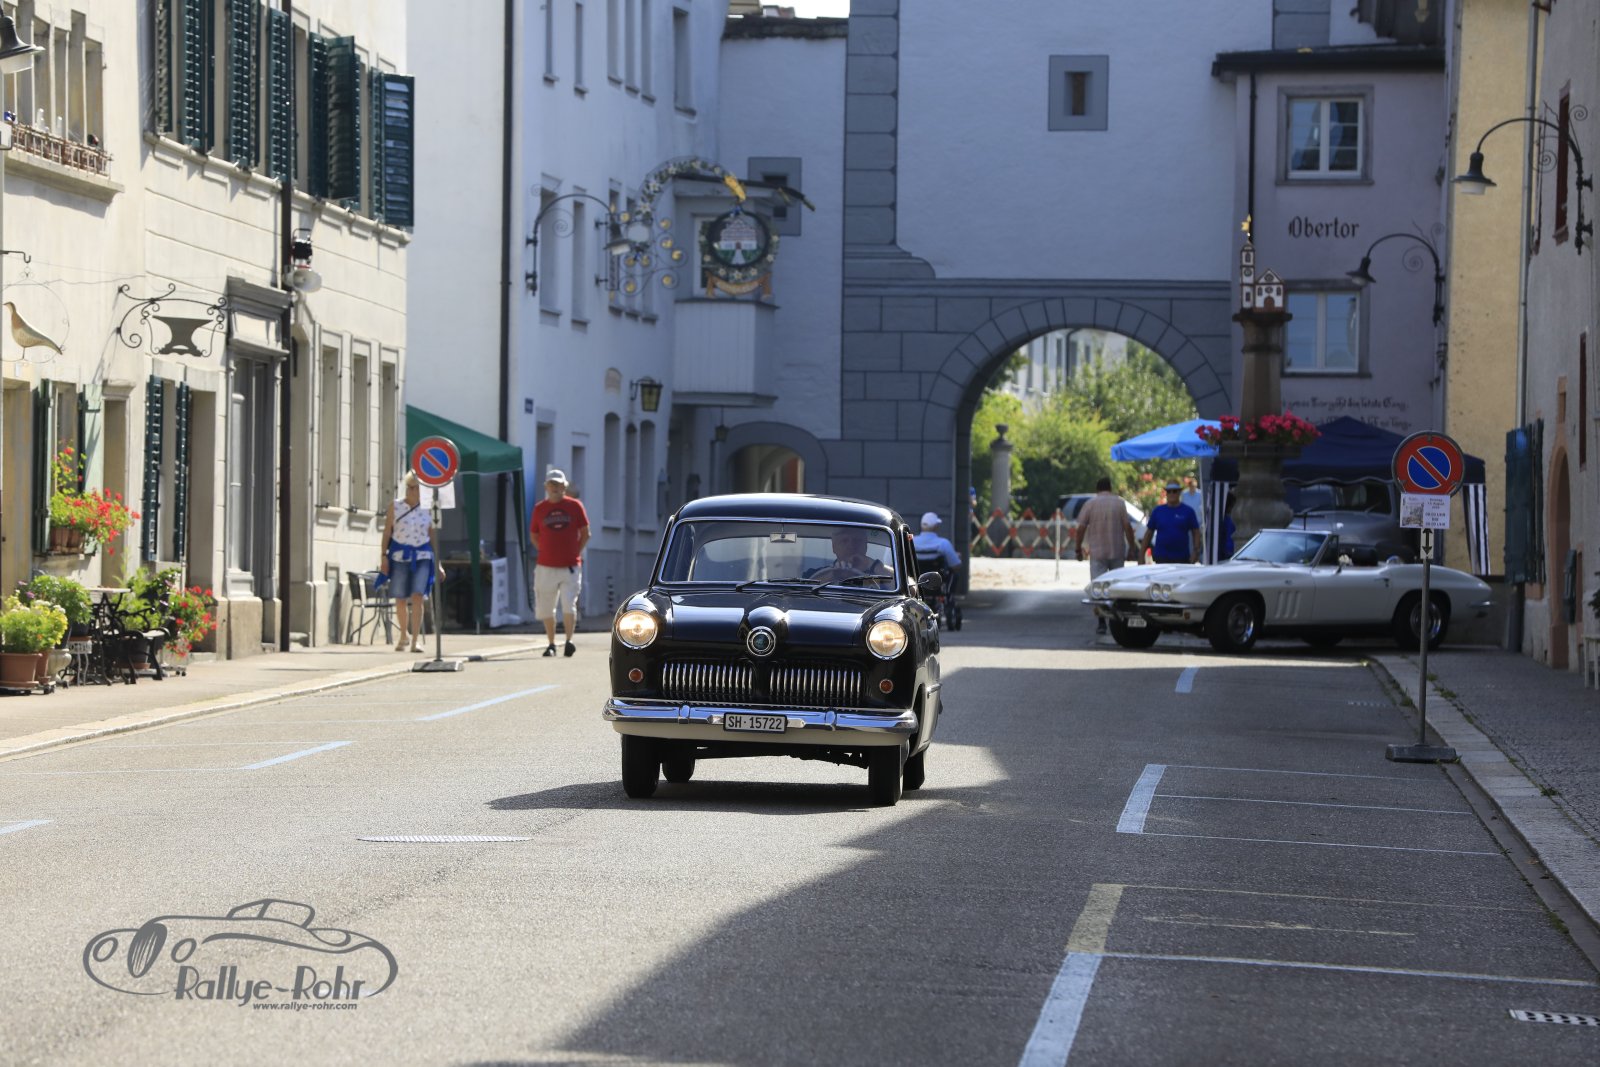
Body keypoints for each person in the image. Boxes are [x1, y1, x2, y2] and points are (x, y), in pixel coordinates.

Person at [379, 471, 444, 653]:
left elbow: (433, 536)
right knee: (400, 597)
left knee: (418, 596)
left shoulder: (431, 508)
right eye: (411, 487)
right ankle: (403, 636)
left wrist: (438, 563)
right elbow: (387, 532)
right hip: (400, 555)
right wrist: (383, 556)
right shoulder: (395, 506)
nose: (413, 491)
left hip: (423, 556)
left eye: (418, 488)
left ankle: (415, 640)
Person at [529, 469, 590, 657]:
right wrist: (544, 550)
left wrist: (575, 551)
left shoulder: (575, 506)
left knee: (568, 603)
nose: (555, 488)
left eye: (558, 484)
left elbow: (585, 533)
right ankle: (551, 643)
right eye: (552, 484)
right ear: (546, 487)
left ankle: (569, 641)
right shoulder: (540, 508)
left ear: (565, 487)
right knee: (546, 606)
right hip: (545, 566)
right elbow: (534, 534)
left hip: (570, 566)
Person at [1073, 477, 1140, 634]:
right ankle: (1116, 620)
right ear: (1110, 488)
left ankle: (1101, 622)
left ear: (1097, 489)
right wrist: (1131, 548)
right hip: (1117, 551)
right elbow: (1127, 527)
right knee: (1116, 587)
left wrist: (1078, 549)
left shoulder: (1090, 504)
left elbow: (1081, 528)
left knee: (1098, 587)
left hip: (1097, 553)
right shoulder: (1119, 503)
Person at [1142, 480, 1203, 564]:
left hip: (1182, 559)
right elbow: (1149, 533)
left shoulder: (1188, 511)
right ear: (1166, 493)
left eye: (1174, 491)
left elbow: (1196, 532)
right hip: (1161, 558)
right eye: (1169, 491)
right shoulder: (1158, 511)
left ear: (1179, 492)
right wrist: (1141, 554)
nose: (1172, 493)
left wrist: (1196, 552)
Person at [812, 527, 892, 582]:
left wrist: (873, 565)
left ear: (865, 546)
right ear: (834, 547)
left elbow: (896, 585)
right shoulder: (818, 573)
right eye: (844, 541)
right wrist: (833, 575)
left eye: (857, 540)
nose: (851, 546)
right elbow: (808, 589)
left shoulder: (878, 576)